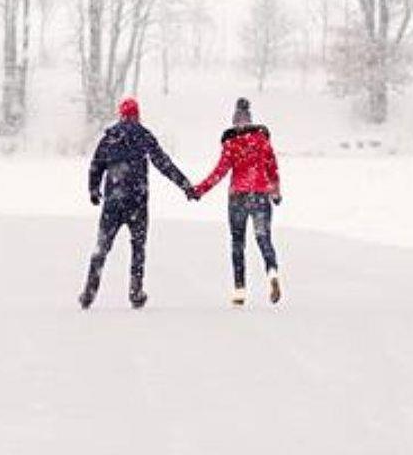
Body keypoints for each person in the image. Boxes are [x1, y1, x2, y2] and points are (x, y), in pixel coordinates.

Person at [81, 96, 196, 309]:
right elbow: (164, 164)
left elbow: (96, 166)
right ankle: (135, 292)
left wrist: (94, 190)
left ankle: (89, 292)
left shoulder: (110, 137)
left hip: (113, 203)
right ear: (137, 115)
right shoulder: (144, 136)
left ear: (121, 115)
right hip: (137, 202)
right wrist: (185, 185)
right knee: (138, 248)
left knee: (102, 247)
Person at [195, 97, 283, 306]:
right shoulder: (261, 141)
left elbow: (219, 172)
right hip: (260, 195)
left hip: (238, 197)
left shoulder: (231, 143)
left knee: (238, 243)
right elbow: (272, 168)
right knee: (263, 238)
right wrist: (275, 192)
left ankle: (239, 290)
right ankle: (272, 273)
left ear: (234, 122)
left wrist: (199, 190)